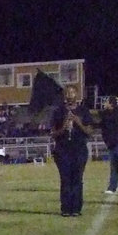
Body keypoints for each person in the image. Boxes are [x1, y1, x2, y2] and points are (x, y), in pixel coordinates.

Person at [50, 84, 92, 217]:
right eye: (67, 93)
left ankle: (76, 208)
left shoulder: (83, 111)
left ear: (77, 94)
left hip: (79, 149)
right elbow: (53, 133)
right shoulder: (58, 111)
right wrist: (63, 127)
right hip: (62, 150)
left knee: (77, 179)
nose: (69, 95)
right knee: (65, 179)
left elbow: (89, 131)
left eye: (72, 93)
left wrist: (78, 122)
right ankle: (65, 209)